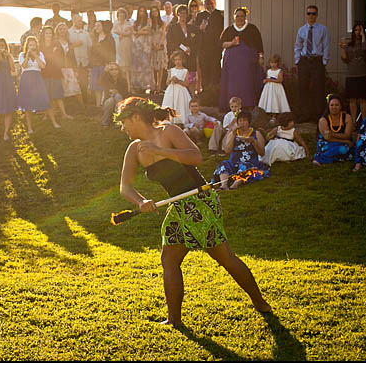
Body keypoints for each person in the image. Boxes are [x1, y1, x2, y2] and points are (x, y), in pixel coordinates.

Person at [115, 97, 271, 325]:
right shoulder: (133, 149)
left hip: (200, 201)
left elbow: (196, 156)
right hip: (179, 207)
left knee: (224, 257)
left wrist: (162, 151)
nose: (122, 127)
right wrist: (141, 202)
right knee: (169, 259)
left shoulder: (168, 131)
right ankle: (174, 320)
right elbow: (125, 187)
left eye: (124, 122)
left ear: (136, 117)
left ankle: (261, 303)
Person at [218, 7, 264, 112]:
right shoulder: (229, 30)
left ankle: (248, 104)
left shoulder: (252, 29)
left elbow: (259, 44)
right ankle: (232, 105)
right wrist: (232, 43)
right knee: (233, 84)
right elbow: (221, 44)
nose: (239, 18)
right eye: (237, 16)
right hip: (232, 64)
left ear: (245, 17)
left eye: (242, 16)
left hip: (248, 63)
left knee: (247, 82)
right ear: (234, 17)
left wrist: (261, 57)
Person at [212, 111, 270, 190]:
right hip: (234, 162)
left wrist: (253, 141)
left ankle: (235, 184)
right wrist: (233, 134)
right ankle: (224, 185)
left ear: (249, 122)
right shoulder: (233, 133)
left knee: (245, 166)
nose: (242, 123)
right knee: (224, 164)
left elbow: (262, 153)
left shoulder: (256, 134)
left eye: (245, 120)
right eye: (240, 121)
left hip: (250, 162)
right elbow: (227, 151)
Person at [294, 5, 331, 122]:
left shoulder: (322, 29)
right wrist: (297, 60)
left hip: (317, 60)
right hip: (304, 60)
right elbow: (298, 46)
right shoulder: (301, 30)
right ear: (306, 15)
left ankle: (318, 115)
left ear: (317, 15)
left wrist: (324, 61)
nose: (311, 16)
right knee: (303, 88)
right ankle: (304, 115)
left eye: (313, 13)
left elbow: (326, 46)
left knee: (318, 88)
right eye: (309, 13)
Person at [18, 36, 60, 133]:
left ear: (36, 46)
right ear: (27, 46)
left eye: (34, 44)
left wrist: (35, 55)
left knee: (45, 100)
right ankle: (29, 128)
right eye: (30, 44)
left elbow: (43, 66)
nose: (32, 46)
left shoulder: (40, 54)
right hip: (26, 78)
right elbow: (23, 65)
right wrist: (28, 55)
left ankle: (54, 122)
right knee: (28, 104)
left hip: (37, 78)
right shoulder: (22, 55)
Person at [340, 23, 366, 124]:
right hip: (351, 74)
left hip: (362, 74)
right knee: (352, 100)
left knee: (362, 100)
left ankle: (364, 122)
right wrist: (343, 49)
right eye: (356, 30)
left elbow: (364, 49)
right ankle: (353, 122)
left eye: (360, 30)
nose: (357, 32)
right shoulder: (349, 45)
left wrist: (363, 36)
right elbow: (345, 60)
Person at [40, 25, 73, 120]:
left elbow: (58, 57)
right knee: (47, 95)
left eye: (50, 33)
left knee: (58, 95)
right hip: (44, 73)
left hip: (55, 72)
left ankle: (64, 114)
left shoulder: (56, 44)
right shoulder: (40, 46)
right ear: (43, 34)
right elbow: (41, 59)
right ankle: (48, 114)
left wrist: (48, 57)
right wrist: (51, 55)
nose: (48, 35)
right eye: (46, 33)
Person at [312, 94, 354, 165]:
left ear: (341, 107)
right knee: (342, 149)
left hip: (343, 142)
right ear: (328, 107)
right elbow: (328, 138)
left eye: (336, 105)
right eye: (332, 105)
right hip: (326, 142)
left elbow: (347, 135)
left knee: (347, 149)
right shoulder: (323, 120)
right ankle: (321, 158)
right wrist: (345, 141)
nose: (334, 107)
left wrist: (332, 134)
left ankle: (328, 157)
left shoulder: (347, 117)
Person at [165, 4, 198, 89]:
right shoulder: (172, 28)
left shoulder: (192, 28)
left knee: (191, 84)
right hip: (178, 61)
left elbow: (196, 42)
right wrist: (183, 48)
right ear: (177, 14)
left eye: (185, 13)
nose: (183, 15)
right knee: (178, 86)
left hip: (190, 60)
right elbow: (170, 42)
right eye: (181, 13)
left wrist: (190, 49)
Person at [196, 0, 224, 86]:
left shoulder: (220, 15)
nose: (210, 6)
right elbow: (195, 31)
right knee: (205, 72)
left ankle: (216, 93)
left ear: (215, 4)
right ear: (204, 5)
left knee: (215, 71)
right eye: (207, 4)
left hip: (216, 48)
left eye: (212, 3)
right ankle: (205, 92)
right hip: (204, 49)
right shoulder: (200, 16)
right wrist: (200, 28)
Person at [90, 20, 117, 106]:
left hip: (105, 65)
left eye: (98, 25)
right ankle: (98, 105)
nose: (96, 27)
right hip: (95, 65)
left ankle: (106, 104)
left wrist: (110, 64)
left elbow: (112, 52)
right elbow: (91, 52)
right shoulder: (94, 38)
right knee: (97, 87)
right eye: (95, 25)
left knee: (105, 86)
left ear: (103, 27)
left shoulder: (109, 38)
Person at [55, 22, 83, 104]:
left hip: (70, 68)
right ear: (57, 31)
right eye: (60, 29)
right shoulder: (55, 43)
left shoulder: (69, 43)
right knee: (62, 90)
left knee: (76, 89)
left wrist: (75, 70)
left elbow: (73, 57)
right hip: (60, 69)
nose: (62, 31)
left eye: (64, 29)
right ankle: (65, 109)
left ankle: (82, 107)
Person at [161, 51, 192, 124]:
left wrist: (178, 81)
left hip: (181, 91)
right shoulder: (171, 70)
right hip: (172, 90)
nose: (177, 62)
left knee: (180, 104)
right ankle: (170, 120)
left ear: (182, 60)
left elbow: (187, 83)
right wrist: (171, 79)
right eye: (176, 60)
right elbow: (167, 82)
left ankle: (180, 120)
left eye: (179, 60)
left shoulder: (185, 71)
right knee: (171, 104)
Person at [258, 54, 290, 122]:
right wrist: (266, 80)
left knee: (275, 101)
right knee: (269, 100)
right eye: (271, 62)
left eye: (275, 62)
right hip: (269, 88)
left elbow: (280, 80)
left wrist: (270, 80)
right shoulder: (268, 71)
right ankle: (268, 115)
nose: (273, 64)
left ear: (277, 63)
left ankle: (274, 116)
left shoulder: (279, 71)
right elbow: (267, 78)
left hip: (276, 88)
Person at [68, 14, 92, 102]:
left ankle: (85, 103)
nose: (81, 23)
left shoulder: (86, 34)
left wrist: (89, 61)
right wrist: (74, 45)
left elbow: (90, 47)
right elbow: (66, 47)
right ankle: (75, 104)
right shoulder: (68, 33)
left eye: (81, 21)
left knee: (84, 84)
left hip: (84, 63)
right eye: (79, 21)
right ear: (73, 21)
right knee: (73, 84)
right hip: (73, 63)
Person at [131, 5, 155, 92]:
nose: (142, 13)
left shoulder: (148, 20)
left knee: (146, 66)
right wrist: (140, 31)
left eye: (143, 11)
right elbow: (133, 32)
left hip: (145, 46)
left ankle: (147, 85)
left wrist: (138, 32)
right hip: (137, 46)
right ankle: (138, 86)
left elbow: (148, 30)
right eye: (140, 11)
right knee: (137, 66)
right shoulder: (135, 22)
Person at [99, 62, 129, 126]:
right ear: (108, 71)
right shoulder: (106, 79)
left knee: (117, 96)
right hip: (108, 101)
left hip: (120, 101)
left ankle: (118, 121)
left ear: (118, 70)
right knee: (110, 101)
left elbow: (126, 94)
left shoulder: (123, 80)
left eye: (116, 69)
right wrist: (105, 71)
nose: (114, 71)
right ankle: (105, 123)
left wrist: (118, 92)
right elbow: (100, 82)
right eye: (111, 69)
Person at [112, 8, 133, 91]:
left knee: (127, 68)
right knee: (120, 67)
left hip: (126, 46)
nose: (121, 17)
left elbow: (128, 33)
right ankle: (121, 87)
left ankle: (128, 87)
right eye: (119, 16)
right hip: (118, 46)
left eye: (123, 15)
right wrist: (122, 33)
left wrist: (119, 33)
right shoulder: (115, 24)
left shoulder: (128, 24)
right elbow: (113, 32)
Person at [149, 4, 167, 93]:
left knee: (160, 67)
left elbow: (163, 34)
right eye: (152, 12)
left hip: (161, 45)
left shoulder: (163, 22)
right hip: (152, 46)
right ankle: (153, 85)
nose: (154, 13)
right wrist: (153, 44)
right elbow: (150, 34)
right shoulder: (150, 22)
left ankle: (159, 86)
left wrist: (159, 44)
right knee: (152, 67)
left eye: (155, 11)